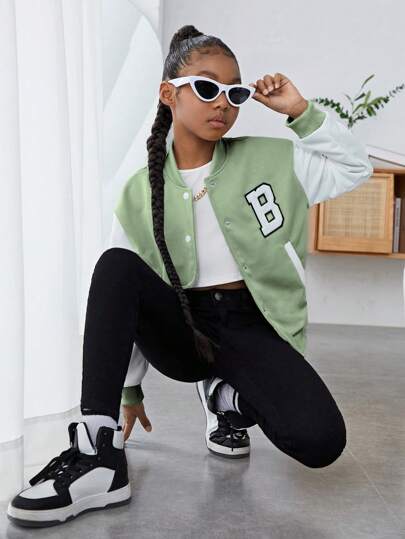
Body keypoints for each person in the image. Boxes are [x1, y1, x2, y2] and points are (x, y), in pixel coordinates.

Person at [7, 24, 373, 528]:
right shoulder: (139, 191)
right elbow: (125, 297)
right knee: (115, 264)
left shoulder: (274, 159)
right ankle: (98, 454)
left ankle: (226, 398)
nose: (222, 103)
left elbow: (355, 168)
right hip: (181, 327)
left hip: (255, 324)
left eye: (234, 93)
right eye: (205, 87)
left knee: (321, 441)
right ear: (169, 94)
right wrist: (127, 391)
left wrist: (299, 111)